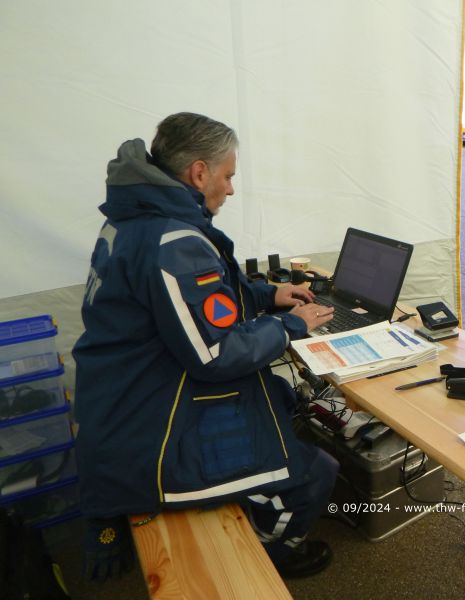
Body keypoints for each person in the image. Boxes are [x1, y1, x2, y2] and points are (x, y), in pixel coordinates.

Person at [73, 112, 338, 580]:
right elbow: (215, 355)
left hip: (119, 399)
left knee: (278, 397)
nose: (231, 189)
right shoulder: (173, 239)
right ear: (199, 172)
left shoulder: (135, 218)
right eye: (228, 175)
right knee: (316, 473)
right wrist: (290, 327)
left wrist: (266, 296)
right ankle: (270, 555)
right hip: (147, 429)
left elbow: (194, 303)